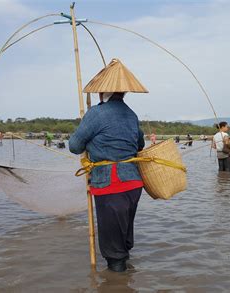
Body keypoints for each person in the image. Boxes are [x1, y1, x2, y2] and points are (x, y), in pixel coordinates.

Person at [69, 58, 147, 272]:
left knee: (113, 247)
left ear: (103, 92)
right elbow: (139, 144)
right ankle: (124, 278)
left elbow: (75, 146)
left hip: (111, 183)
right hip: (133, 183)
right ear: (123, 93)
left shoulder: (96, 113)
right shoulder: (132, 115)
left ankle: (116, 280)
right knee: (123, 233)